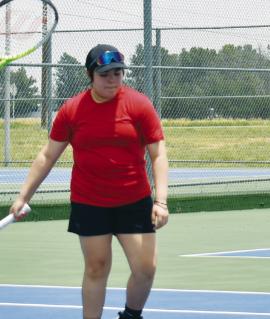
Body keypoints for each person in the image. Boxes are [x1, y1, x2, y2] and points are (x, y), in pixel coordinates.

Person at [9, 44, 168, 319]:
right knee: (97, 267)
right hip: (90, 201)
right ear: (90, 74)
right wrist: (23, 196)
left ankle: (131, 315)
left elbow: (158, 153)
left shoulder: (139, 105)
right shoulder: (72, 110)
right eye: (105, 73)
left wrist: (161, 201)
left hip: (133, 200)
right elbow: (47, 155)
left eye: (118, 73)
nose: (112, 79)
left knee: (145, 268)